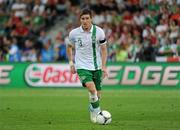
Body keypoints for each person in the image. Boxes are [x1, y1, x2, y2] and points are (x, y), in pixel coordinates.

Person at [66, 8, 108, 123]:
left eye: (87, 18)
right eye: (82, 19)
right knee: (91, 88)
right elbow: (69, 47)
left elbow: (104, 50)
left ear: (91, 19)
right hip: (82, 66)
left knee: (97, 95)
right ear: (80, 20)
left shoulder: (99, 32)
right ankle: (98, 113)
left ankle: (92, 107)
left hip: (97, 66)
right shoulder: (74, 33)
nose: (85, 21)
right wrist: (71, 63)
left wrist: (104, 67)